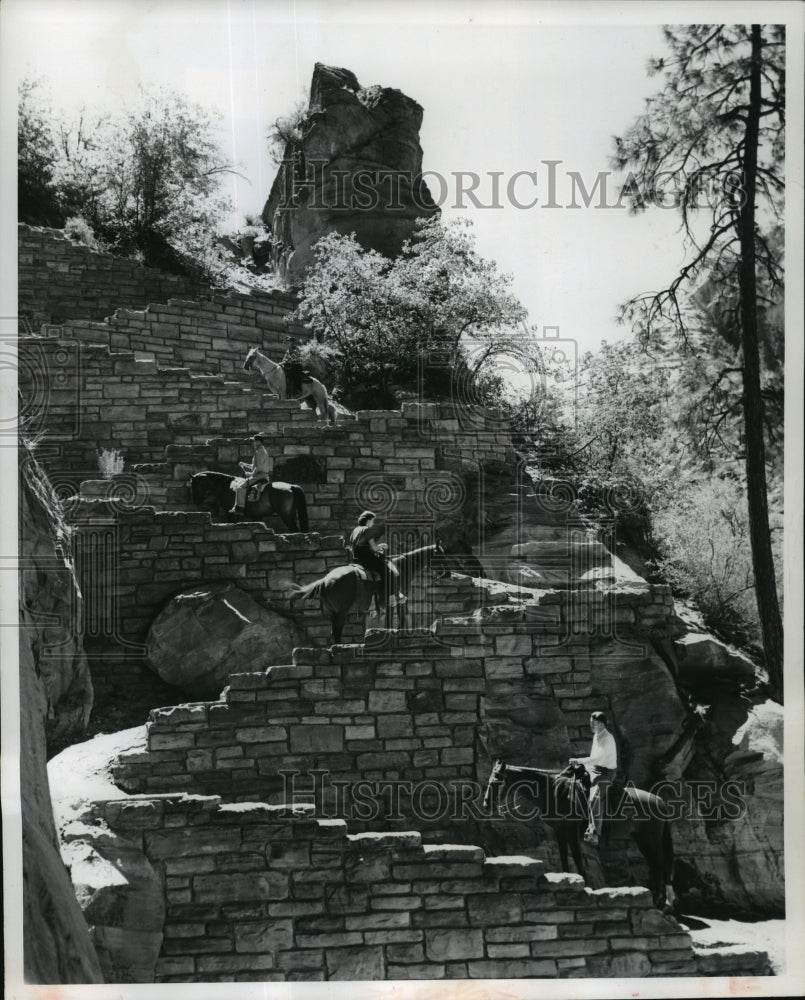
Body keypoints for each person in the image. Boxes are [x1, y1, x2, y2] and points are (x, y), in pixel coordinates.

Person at [570, 711, 618, 847]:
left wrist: (578, 760)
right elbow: (593, 758)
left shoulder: (607, 738)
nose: (590, 725)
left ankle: (594, 833)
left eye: (593, 724)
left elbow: (598, 758)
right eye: (590, 723)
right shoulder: (597, 735)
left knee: (593, 799)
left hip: (605, 773)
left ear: (602, 725)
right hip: (594, 769)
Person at [348, 511, 402, 610]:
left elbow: (356, 546)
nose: (373, 523)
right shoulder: (367, 530)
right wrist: (382, 546)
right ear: (368, 521)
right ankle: (391, 597)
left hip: (356, 559)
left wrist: (377, 547)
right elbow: (374, 548)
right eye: (372, 521)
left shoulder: (355, 530)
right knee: (387, 570)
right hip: (368, 559)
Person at [230, 434, 272, 514]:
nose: (253, 443)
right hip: (261, 474)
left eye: (254, 441)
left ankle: (240, 508)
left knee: (240, 488)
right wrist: (244, 464)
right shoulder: (261, 451)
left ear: (258, 442)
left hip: (259, 476)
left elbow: (258, 468)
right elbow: (255, 466)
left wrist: (251, 474)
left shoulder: (260, 452)